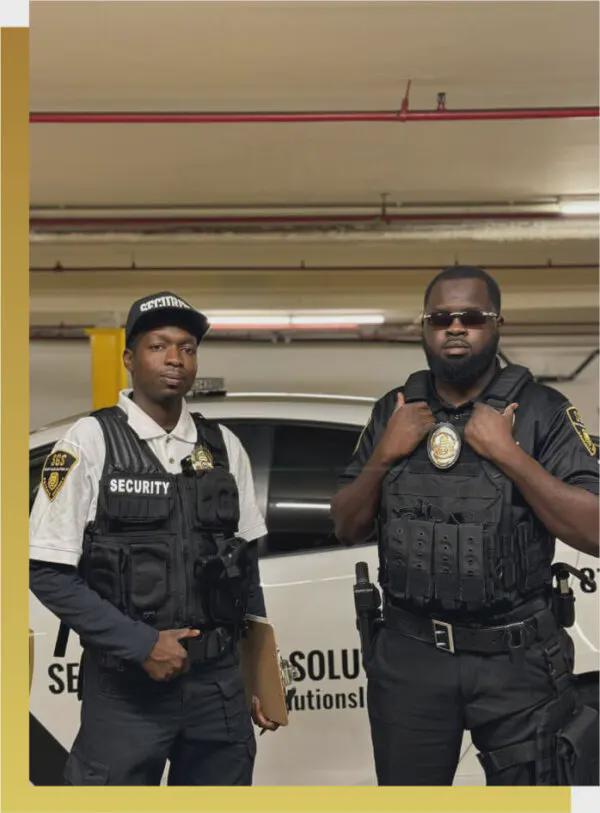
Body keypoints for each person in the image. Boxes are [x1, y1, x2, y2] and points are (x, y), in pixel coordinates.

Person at [332, 266, 599, 786]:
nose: (455, 327)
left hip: (516, 658)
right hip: (411, 657)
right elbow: (345, 525)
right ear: (424, 327)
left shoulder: (543, 411)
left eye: (472, 317)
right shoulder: (394, 410)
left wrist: (508, 454)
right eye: (440, 318)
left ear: (497, 324)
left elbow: (595, 530)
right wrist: (385, 453)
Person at [29, 291, 278, 785]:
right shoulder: (89, 442)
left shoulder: (224, 447)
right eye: (158, 346)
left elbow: (244, 568)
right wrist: (141, 644)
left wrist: (258, 673)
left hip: (217, 690)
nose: (174, 359)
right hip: (126, 692)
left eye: (187, 348)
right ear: (129, 358)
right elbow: (46, 572)